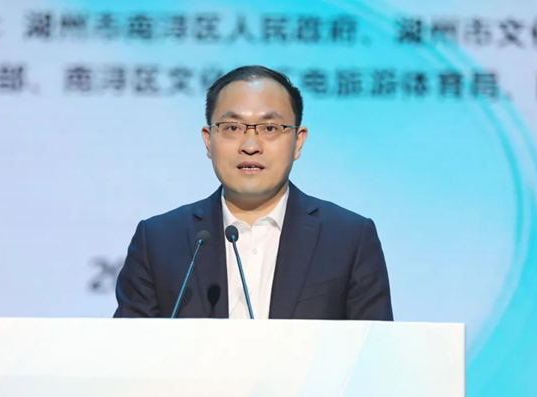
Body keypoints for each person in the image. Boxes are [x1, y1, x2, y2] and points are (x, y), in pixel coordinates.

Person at [114, 65, 393, 320]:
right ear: (208, 140)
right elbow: (127, 349)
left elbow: (374, 350)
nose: (250, 145)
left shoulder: (348, 238)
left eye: (270, 128)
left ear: (298, 142)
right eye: (232, 128)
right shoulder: (159, 240)